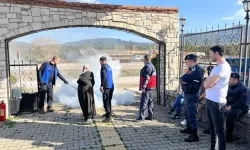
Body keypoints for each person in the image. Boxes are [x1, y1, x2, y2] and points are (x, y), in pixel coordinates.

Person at [204, 45, 231, 150]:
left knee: (219, 131)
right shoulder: (216, 67)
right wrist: (209, 81)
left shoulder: (224, 67)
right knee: (212, 129)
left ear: (216, 53)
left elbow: (207, 84)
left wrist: (209, 82)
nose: (210, 56)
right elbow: (207, 82)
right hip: (210, 100)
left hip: (217, 102)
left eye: (211, 53)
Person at [180, 54, 203, 142]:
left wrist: (184, 78)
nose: (186, 64)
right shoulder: (192, 70)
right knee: (187, 112)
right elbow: (183, 79)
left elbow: (184, 77)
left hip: (192, 95)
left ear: (191, 61)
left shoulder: (197, 70)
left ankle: (194, 135)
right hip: (188, 94)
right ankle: (189, 128)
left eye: (187, 62)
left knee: (192, 115)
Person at [226, 72, 249, 142]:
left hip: (241, 107)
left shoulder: (243, 88)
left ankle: (228, 137)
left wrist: (231, 107)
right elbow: (227, 96)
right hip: (231, 105)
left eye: (231, 79)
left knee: (230, 115)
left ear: (236, 80)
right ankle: (213, 130)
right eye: (229, 79)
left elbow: (243, 102)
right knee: (216, 109)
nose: (229, 80)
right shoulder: (230, 86)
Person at [137, 55, 157, 121]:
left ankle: (141, 117)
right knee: (150, 102)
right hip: (152, 87)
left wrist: (143, 87)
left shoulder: (148, 67)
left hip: (147, 87)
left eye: (143, 59)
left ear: (145, 59)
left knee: (144, 102)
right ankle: (150, 116)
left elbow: (147, 78)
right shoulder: (152, 66)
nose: (143, 61)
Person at [99, 56, 114, 123]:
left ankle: (109, 117)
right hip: (111, 86)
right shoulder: (109, 66)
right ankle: (108, 113)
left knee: (105, 101)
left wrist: (102, 86)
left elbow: (104, 77)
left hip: (106, 86)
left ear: (102, 61)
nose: (100, 63)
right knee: (109, 101)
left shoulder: (103, 67)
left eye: (100, 61)